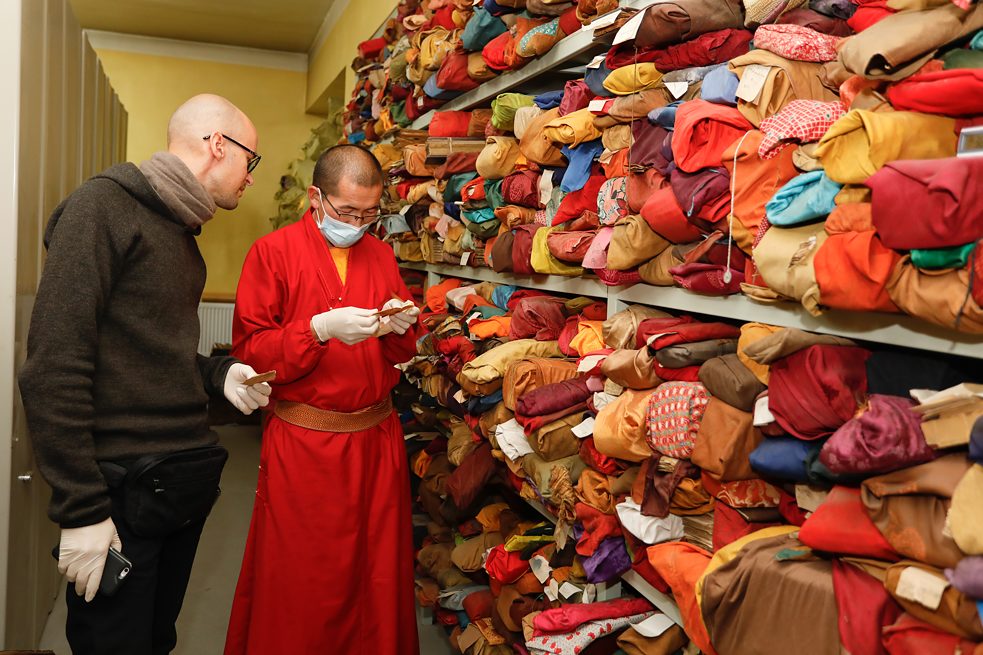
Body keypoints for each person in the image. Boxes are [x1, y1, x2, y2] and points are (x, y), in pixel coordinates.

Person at [18, 93, 273, 655]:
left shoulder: (180, 229)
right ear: (217, 145)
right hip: (121, 490)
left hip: (177, 483)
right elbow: (54, 366)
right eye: (249, 159)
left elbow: (147, 352)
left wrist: (218, 374)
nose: (251, 177)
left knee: (156, 640)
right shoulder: (101, 209)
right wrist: (82, 510)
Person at [224, 144, 421, 655]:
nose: (358, 225)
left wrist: (400, 326)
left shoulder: (380, 254)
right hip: (305, 444)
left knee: (376, 575)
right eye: (348, 212)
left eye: (370, 214)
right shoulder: (272, 253)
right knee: (303, 578)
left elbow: (400, 351)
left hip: (377, 442)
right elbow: (251, 353)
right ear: (316, 197)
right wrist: (316, 330)